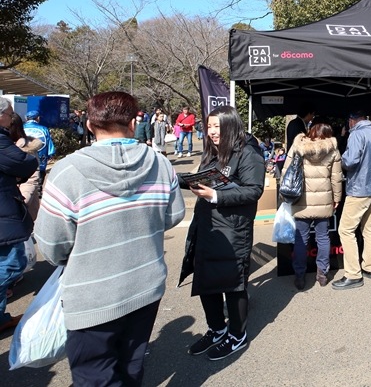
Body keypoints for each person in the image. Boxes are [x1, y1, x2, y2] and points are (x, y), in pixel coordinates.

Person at [35, 91, 186, 385]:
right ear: (133, 124)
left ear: (89, 125)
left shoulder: (66, 172)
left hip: (90, 296)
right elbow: (173, 215)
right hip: (146, 285)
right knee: (132, 366)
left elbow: (52, 246)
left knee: (94, 375)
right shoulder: (160, 164)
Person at [184, 105, 265, 359]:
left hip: (233, 229)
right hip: (208, 225)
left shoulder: (248, 152)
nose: (212, 132)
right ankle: (217, 329)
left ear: (231, 125)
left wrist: (215, 195)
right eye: (209, 126)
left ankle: (237, 335)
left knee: (232, 283)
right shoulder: (212, 151)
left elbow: (254, 190)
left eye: (217, 126)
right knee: (206, 280)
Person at [332, 112, 371, 290]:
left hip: (359, 189)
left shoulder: (356, 134)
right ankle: (369, 267)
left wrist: (340, 159)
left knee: (346, 230)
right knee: (369, 228)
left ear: (352, 120)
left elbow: (350, 161)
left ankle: (353, 274)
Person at [284, 120, 342, 290]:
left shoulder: (298, 146)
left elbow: (287, 171)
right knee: (323, 237)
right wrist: (337, 197)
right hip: (324, 201)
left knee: (301, 239)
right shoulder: (333, 150)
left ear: (311, 131)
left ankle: (299, 276)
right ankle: (322, 274)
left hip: (301, 201)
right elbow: (336, 178)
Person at [0, 97, 38, 332]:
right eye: (9, 114)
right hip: (4, 210)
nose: (12, 118)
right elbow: (24, 163)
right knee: (12, 264)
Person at [8, 112, 43, 222]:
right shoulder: (5, 145)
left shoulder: (27, 148)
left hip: (22, 207)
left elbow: (32, 178)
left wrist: (22, 201)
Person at [23, 109, 56, 191]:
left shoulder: (21, 128)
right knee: (40, 171)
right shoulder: (43, 129)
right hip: (41, 154)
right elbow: (48, 142)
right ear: (37, 118)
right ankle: (39, 189)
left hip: (24, 154)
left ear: (26, 118)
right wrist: (50, 154)